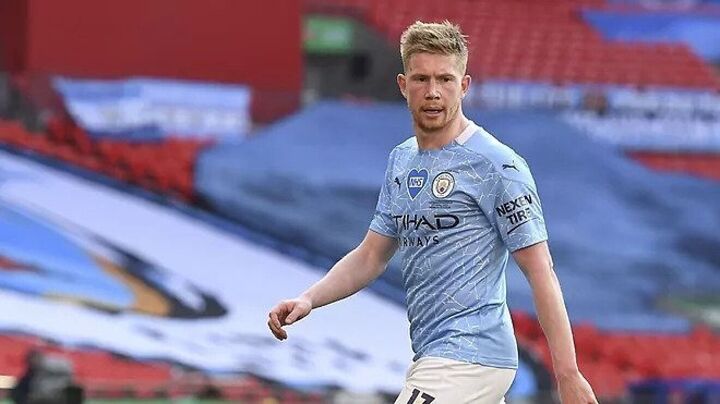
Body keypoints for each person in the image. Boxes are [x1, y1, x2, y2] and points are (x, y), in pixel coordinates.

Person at [268, 21, 597, 404]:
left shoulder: (497, 165)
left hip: (470, 356)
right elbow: (371, 255)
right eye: (421, 79)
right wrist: (309, 299)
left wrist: (568, 374)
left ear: (465, 85)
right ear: (403, 85)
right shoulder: (401, 160)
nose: (433, 92)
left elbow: (540, 269)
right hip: (434, 352)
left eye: (445, 79)